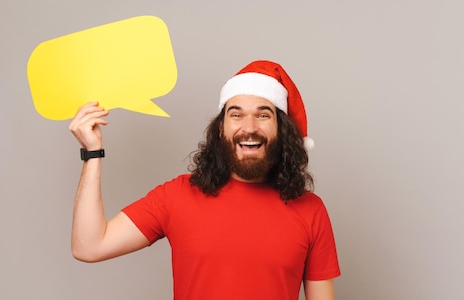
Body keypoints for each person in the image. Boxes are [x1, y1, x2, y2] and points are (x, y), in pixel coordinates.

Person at [68, 60, 341, 300]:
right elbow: (90, 246)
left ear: (281, 130)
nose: (249, 127)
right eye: (236, 114)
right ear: (220, 128)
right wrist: (92, 153)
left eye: (263, 114)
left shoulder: (311, 210)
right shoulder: (176, 195)